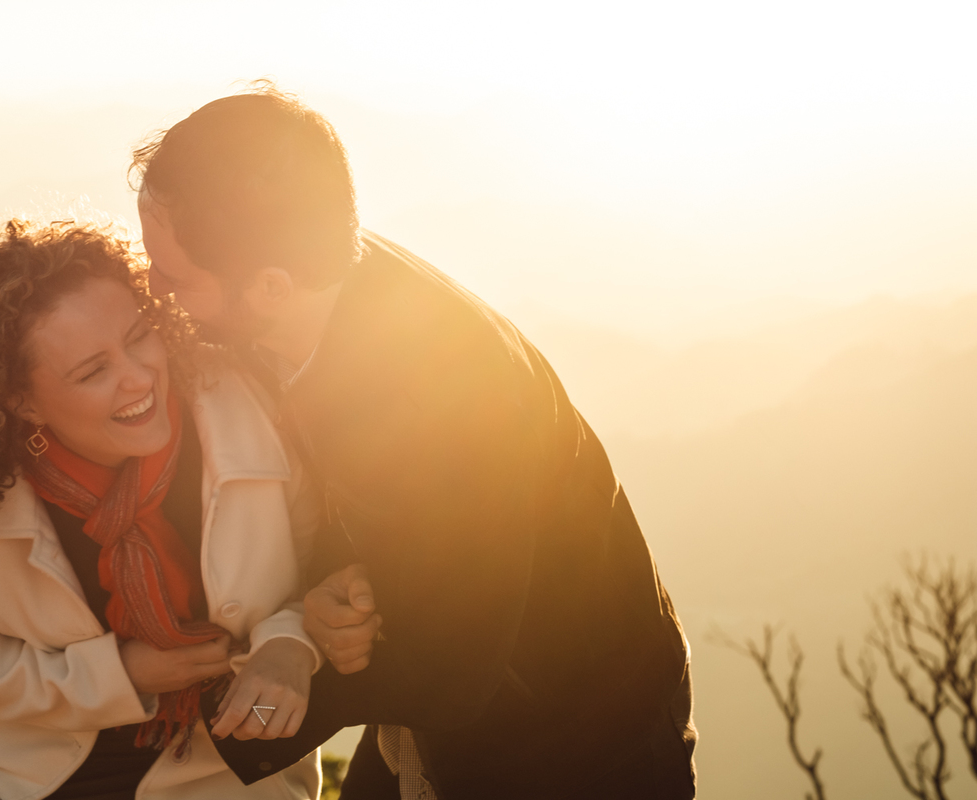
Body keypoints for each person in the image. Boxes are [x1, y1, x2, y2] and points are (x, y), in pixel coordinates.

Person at [133, 84, 697, 799]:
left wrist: (276, 679)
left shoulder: (451, 397)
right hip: (437, 710)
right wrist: (339, 586)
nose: (151, 291)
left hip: (576, 740)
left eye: (171, 276)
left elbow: (455, 669)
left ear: (270, 287)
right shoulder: (306, 284)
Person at [0, 219, 324, 800]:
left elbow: (328, 566)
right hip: (10, 769)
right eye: (93, 371)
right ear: (21, 400)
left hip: (222, 766)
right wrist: (118, 675)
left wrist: (288, 644)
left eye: (140, 336)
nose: (138, 377)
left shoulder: (252, 411)